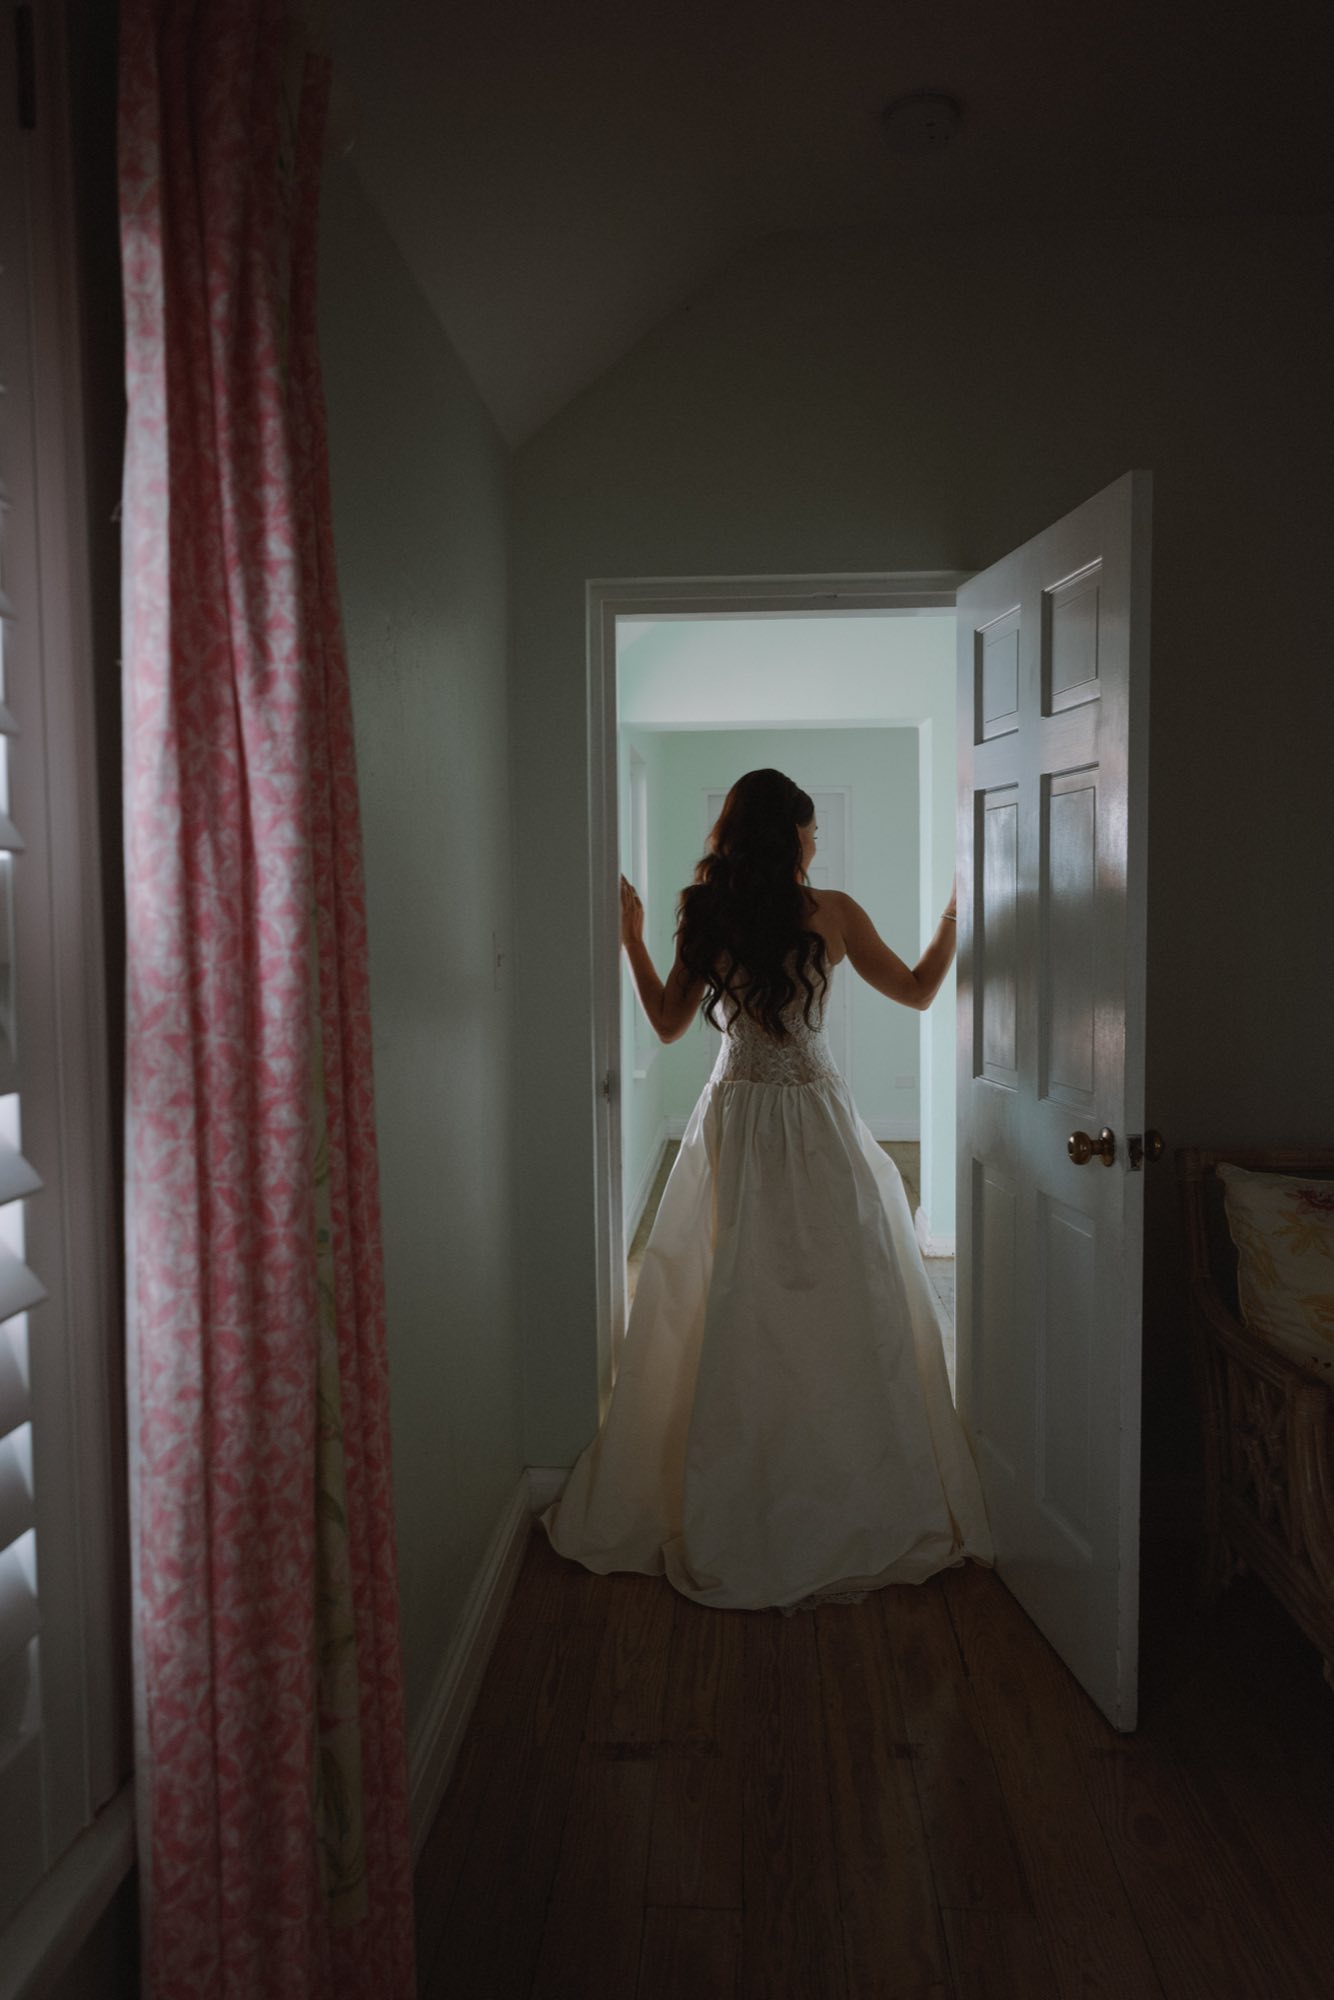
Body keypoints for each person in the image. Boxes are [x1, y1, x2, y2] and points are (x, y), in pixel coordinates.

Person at [543, 768, 993, 1609]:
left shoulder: (707, 911)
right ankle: (836, 1468)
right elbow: (923, 990)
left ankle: (748, 1471)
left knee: (732, 1290)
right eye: (811, 829)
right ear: (793, 835)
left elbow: (669, 1026)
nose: (817, 841)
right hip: (812, 1115)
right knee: (840, 1287)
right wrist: (956, 916)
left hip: (737, 1115)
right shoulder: (835, 912)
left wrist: (633, 940)